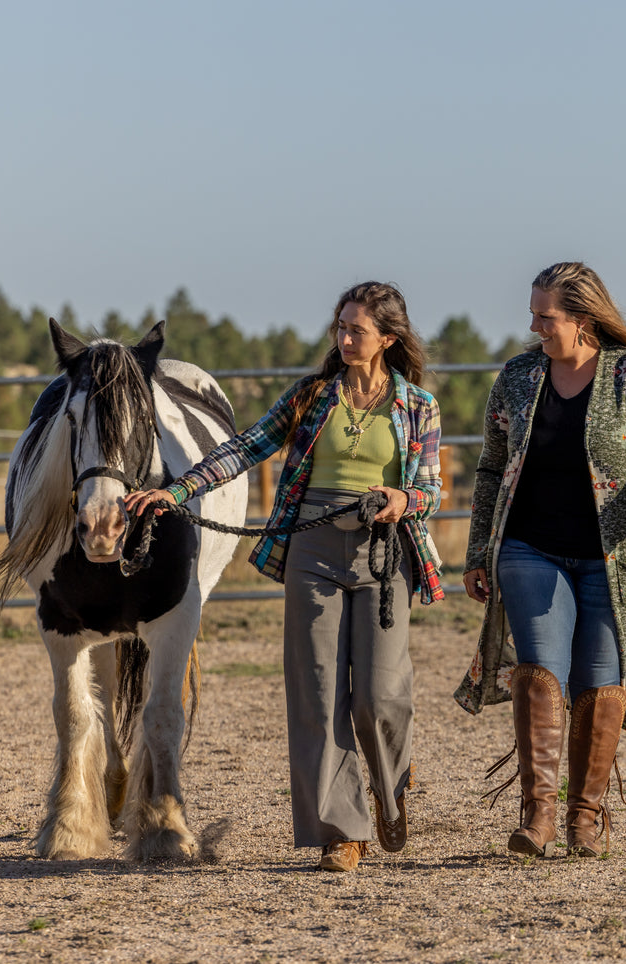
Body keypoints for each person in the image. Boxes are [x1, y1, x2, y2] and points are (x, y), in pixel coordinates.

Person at [126, 281, 443, 873]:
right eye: (340, 327)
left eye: (357, 330)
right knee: (317, 693)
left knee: (380, 695)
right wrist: (178, 491)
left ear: (388, 339)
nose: (344, 339)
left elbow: (431, 489)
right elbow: (244, 448)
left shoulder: (417, 406)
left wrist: (405, 499)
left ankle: (391, 781)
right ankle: (341, 832)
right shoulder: (311, 396)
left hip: (383, 553)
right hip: (313, 549)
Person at [454, 261, 626, 859]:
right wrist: (479, 550)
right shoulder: (518, 376)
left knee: (600, 681)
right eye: (532, 315)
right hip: (528, 548)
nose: (534, 327)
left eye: (545, 316)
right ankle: (538, 815)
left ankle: (585, 816)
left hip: (613, 558)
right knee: (540, 668)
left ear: (582, 318)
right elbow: (491, 467)